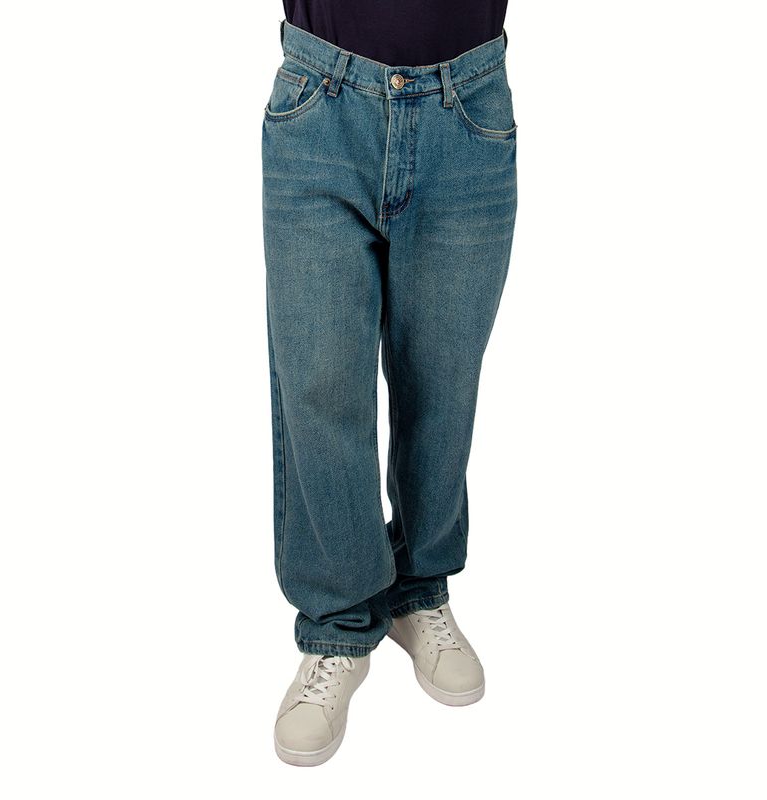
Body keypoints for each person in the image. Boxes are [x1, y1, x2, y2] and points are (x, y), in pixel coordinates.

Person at [262, 0, 516, 766]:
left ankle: (420, 589)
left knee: (443, 376)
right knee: (319, 381)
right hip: (322, 100)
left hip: (466, 106)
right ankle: (338, 624)